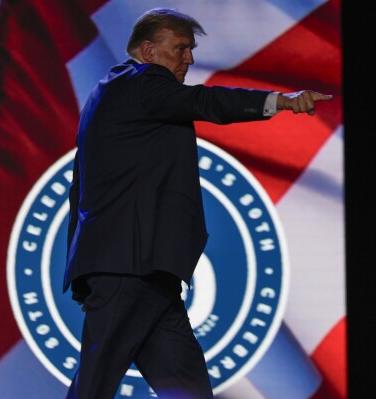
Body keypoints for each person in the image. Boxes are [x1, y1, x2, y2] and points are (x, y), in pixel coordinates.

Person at [63, 7, 332, 399]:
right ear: (149, 50)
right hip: (130, 267)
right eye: (181, 48)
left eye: (190, 49)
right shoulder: (143, 82)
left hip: (148, 272)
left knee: (187, 390)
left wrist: (85, 264)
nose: (188, 58)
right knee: (94, 384)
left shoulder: (109, 93)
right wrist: (281, 102)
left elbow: (79, 187)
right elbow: (207, 103)